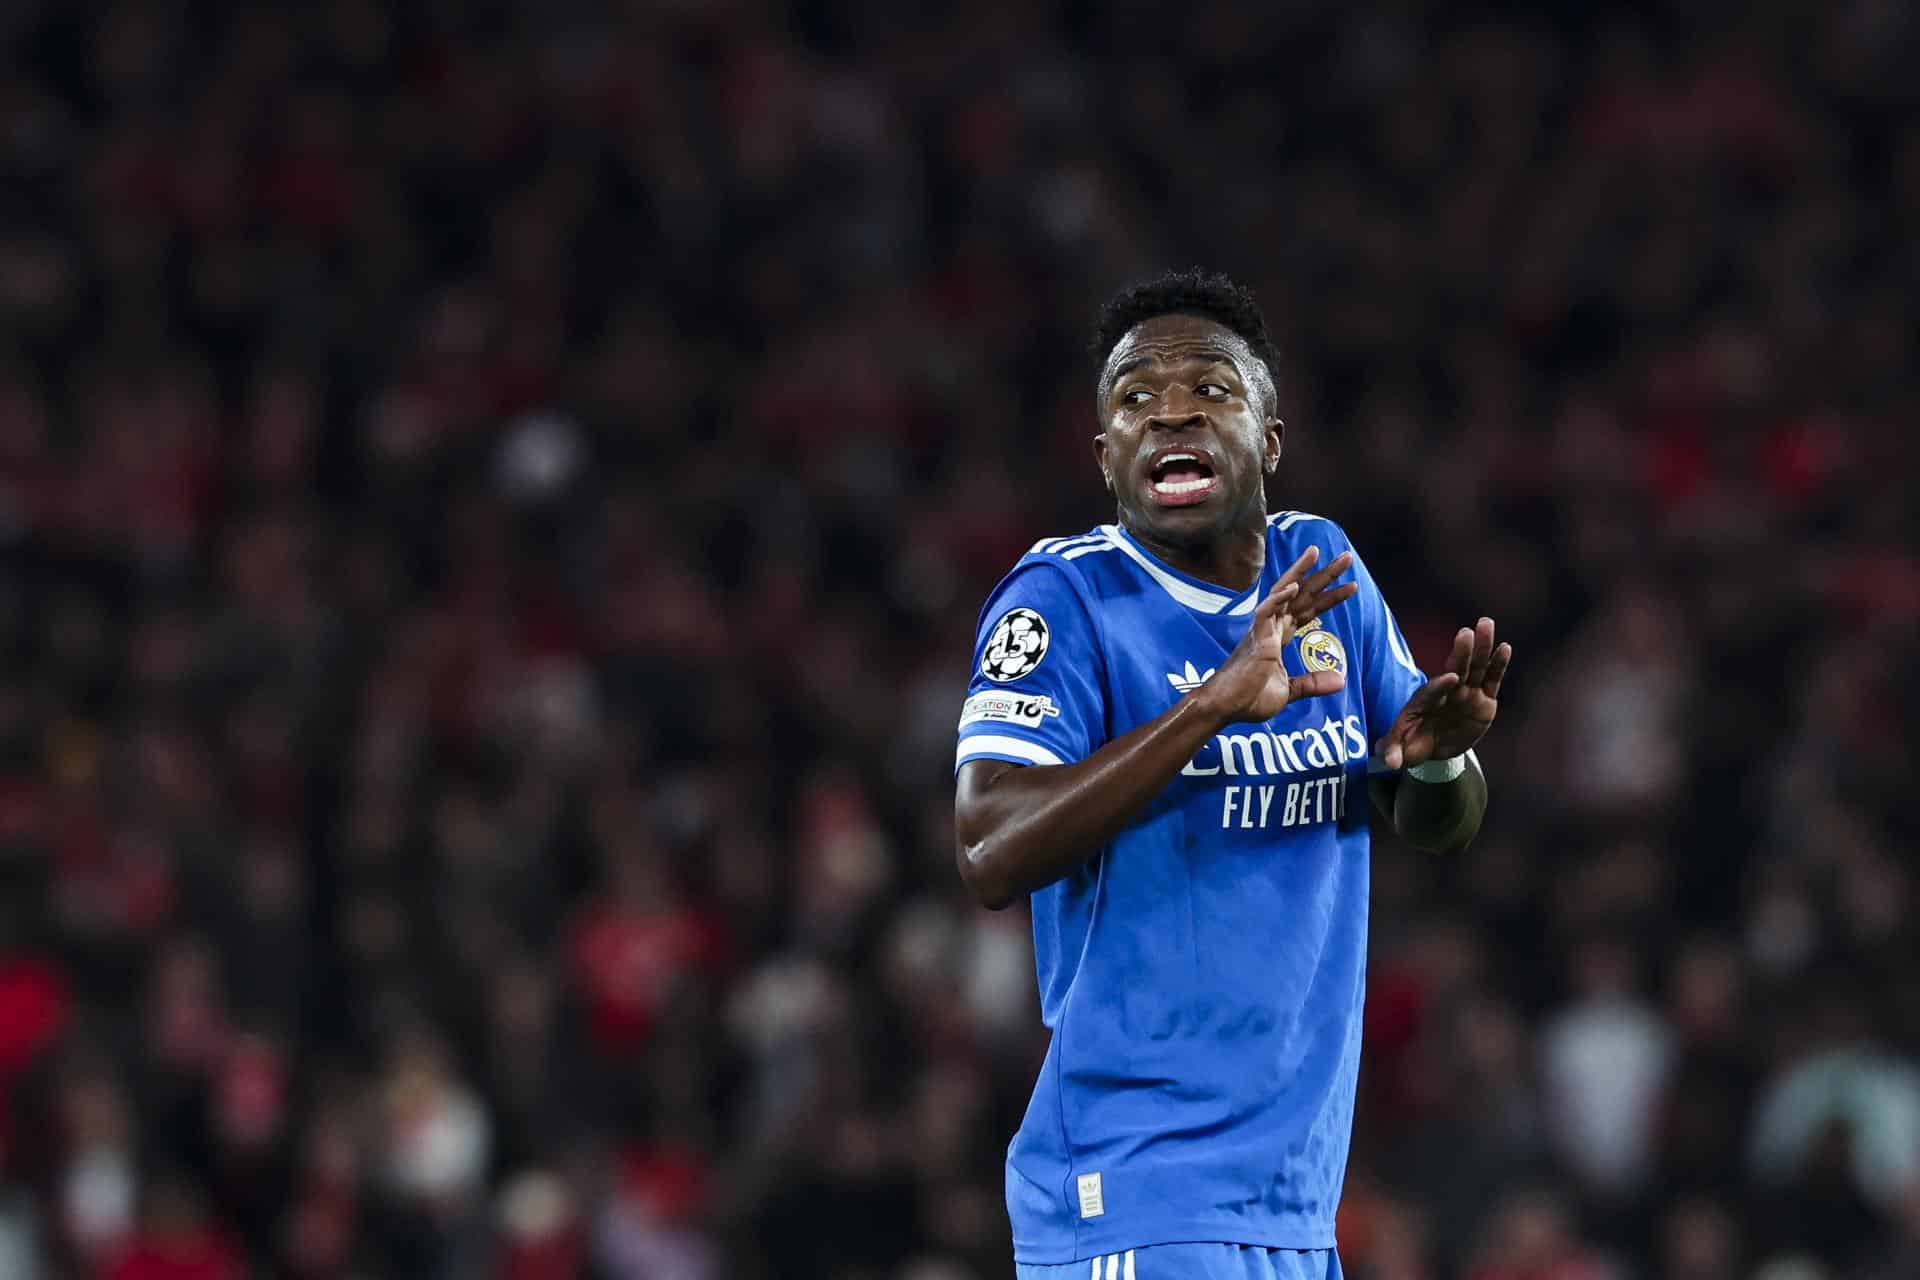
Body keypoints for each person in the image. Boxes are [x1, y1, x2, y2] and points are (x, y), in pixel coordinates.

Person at [953, 270, 1513, 1279]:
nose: (1171, 409)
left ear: (1269, 439)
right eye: (1136, 398)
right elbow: (989, 846)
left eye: (1210, 388)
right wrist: (1211, 702)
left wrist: (1443, 756)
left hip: (1296, 1203)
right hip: (1138, 1190)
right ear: (1106, 454)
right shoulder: (1066, 598)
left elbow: (1438, 818)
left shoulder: (1321, 570)